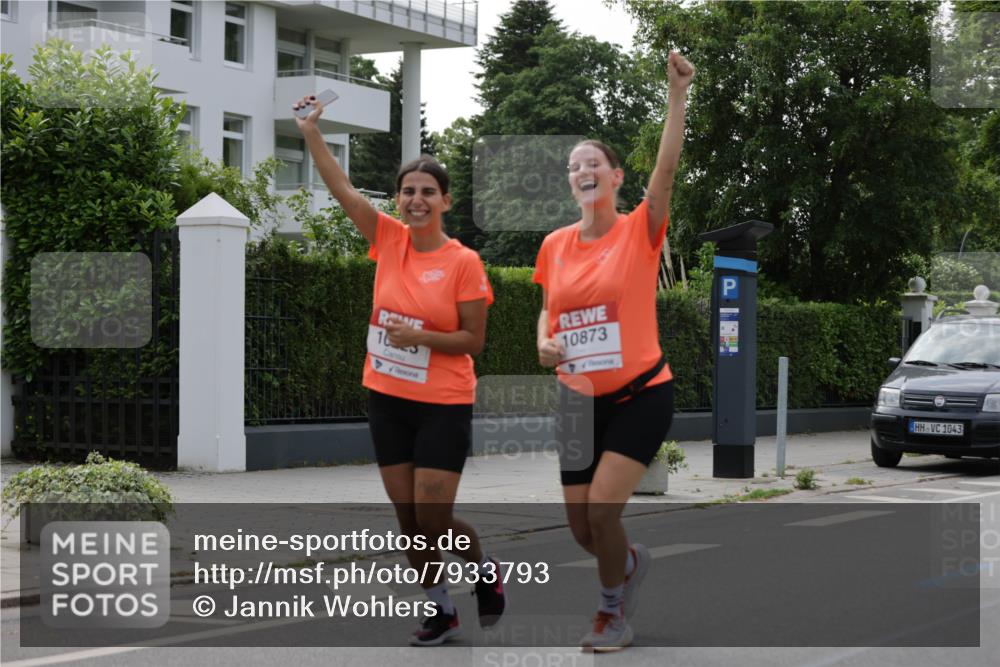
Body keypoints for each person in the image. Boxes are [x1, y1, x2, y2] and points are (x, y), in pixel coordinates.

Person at [294, 94, 505, 646]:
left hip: (444, 404)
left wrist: (420, 338)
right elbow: (342, 189)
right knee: (408, 521)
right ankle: (441, 610)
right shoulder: (387, 239)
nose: (417, 200)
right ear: (398, 199)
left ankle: (484, 570)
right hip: (387, 398)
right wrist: (311, 132)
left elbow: (474, 340)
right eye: (408, 191)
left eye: (427, 192)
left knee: (434, 519)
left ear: (445, 201)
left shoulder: (463, 262)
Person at [532, 51, 695, 652]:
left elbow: (667, 170)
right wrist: (543, 342)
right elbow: (549, 308)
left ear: (616, 177)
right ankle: (627, 564)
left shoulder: (639, 230)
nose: (583, 170)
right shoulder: (554, 245)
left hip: (640, 394)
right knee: (583, 530)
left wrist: (676, 96)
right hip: (576, 401)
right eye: (574, 166)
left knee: (602, 513)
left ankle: (610, 614)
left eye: (593, 162)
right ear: (571, 182)